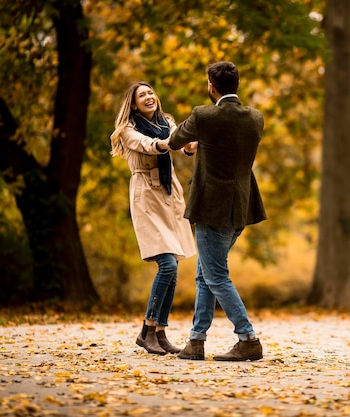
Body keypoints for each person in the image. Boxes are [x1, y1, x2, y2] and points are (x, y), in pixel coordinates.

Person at [169, 61, 266, 361]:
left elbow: (175, 141)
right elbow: (228, 145)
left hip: (212, 209)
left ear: (212, 86)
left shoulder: (203, 115)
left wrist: (190, 146)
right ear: (237, 84)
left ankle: (248, 338)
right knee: (206, 275)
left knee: (216, 276)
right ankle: (196, 341)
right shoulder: (255, 118)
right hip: (241, 208)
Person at [110, 82, 197, 355]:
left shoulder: (166, 121)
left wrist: (189, 146)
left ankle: (159, 332)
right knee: (167, 265)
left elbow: (179, 143)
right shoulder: (127, 130)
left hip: (169, 194)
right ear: (133, 104)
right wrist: (168, 143)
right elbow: (149, 145)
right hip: (146, 195)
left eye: (150, 93)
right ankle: (147, 329)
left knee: (174, 269)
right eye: (142, 95)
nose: (149, 97)